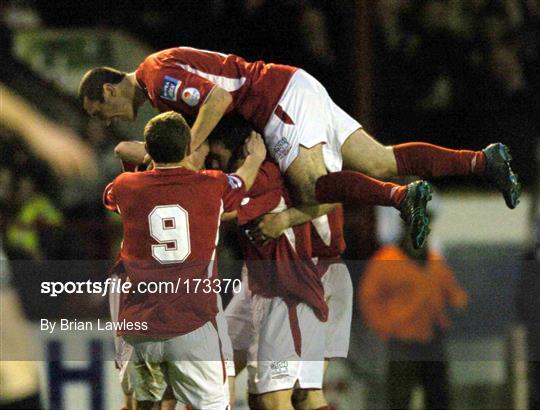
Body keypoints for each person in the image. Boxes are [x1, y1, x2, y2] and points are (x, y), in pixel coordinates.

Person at [78, 46, 520, 248]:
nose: (108, 120)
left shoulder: (157, 79)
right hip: (291, 87)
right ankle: (482, 161)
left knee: (314, 189)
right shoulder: (158, 77)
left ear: (108, 91)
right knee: (382, 159)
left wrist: (190, 149)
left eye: (101, 112)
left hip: (276, 101)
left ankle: (401, 198)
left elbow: (218, 98)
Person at [102, 111, 266, 410]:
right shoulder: (211, 185)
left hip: (140, 327)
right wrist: (255, 157)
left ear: (149, 151)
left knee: (144, 406)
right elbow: (242, 183)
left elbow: (114, 188)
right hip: (192, 322)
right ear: (189, 149)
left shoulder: (126, 185)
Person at [359, 216, 468, 410]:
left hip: (433, 341)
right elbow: (368, 300)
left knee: (438, 397)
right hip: (402, 343)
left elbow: (453, 292)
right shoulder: (386, 259)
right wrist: (387, 328)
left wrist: (457, 305)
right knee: (400, 398)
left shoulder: (434, 259)